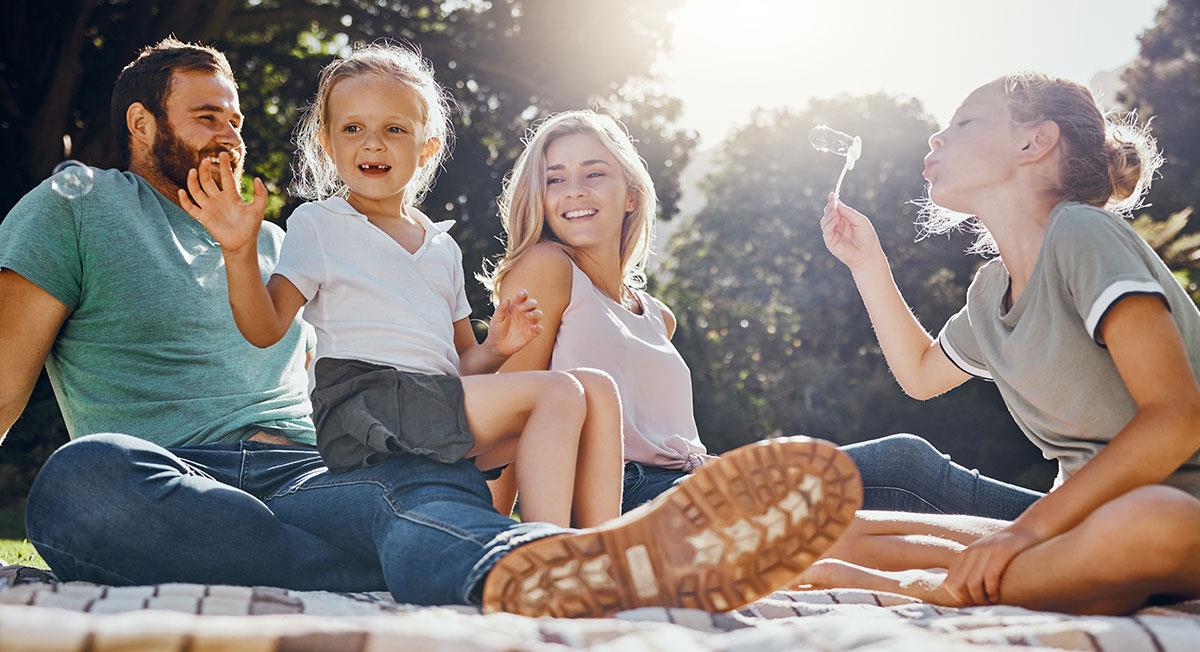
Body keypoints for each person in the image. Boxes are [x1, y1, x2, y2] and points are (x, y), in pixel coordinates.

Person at [0, 37, 861, 618]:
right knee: (80, 483)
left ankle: (530, 562)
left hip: (310, 467)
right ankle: (401, 558)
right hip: (170, 469)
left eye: (234, 113)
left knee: (405, 491)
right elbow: (6, 382)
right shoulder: (77, 209)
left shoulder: (273, 235)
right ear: (140, 124)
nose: (230, 129)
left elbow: (415, 359)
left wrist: (494, 351)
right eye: (205, 114)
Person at [800, 72, 1200, 615]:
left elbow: (1178, 419)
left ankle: (932, 589)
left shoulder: (1082, 234)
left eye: (963, 122)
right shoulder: (991, 293)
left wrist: (1020, 535)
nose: (937, 138)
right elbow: (921, 374)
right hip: (1074, 527)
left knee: (1154, 523)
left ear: (1033, 142)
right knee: (846, 536)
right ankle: (1038, 575)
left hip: (1174, 518)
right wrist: (866, 262)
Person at [179, 44, 622, 528]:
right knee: (557, 394)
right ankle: (544, 552)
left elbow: (461, 365)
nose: (373, 144)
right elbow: (265, 328)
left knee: (596, 391)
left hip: (430, 402)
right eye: (353, 129)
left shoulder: (441, 247)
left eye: (394, 129)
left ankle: (601, 548)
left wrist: (496, 347)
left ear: (426, 146)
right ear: (327, 141)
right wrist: (238, 251)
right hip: (363, 405)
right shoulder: (320, 223)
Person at [481, 111, 713, 516]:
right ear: (540, 196)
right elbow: (509, 421)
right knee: (831, 527)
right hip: (619, 494)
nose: (574, 191)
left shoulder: (659, 317)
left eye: (594, 174)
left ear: (631, 196)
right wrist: (487, 534)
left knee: (848, 484)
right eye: (555, 179)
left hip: (696, 480)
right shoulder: (546, 269)